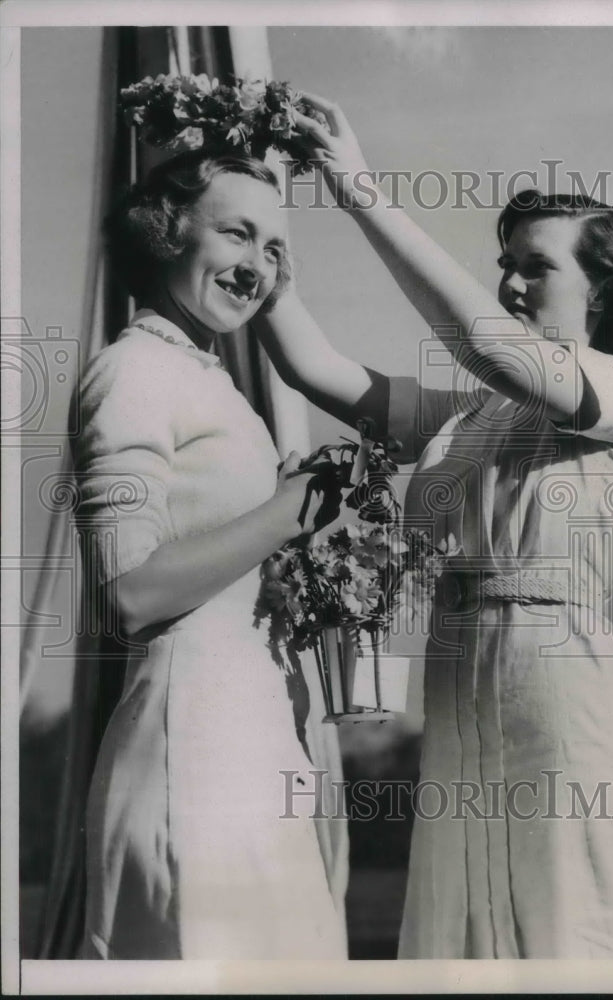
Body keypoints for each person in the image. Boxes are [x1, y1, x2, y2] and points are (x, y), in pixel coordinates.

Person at [252, 95, 613, 958]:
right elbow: (314, 369)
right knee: (461, 944)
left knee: (567, 930)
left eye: (536, 268)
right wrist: (261, 252)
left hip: (561, 693)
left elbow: (486, 347)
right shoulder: (471, 416)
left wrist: (354, 184)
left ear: (603, 291)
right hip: (458, 682)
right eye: (504, 264)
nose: (511, 283)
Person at [70, 148, 348, 959]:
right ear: (165, 232)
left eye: (273, 249)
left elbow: (220, 544)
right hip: (191, 748)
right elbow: (125, 594)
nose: (257, 266)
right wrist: (282, 513)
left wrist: (285, 513)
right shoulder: (130, 372)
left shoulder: (205, 381)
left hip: (251, 737)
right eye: (237, 234)